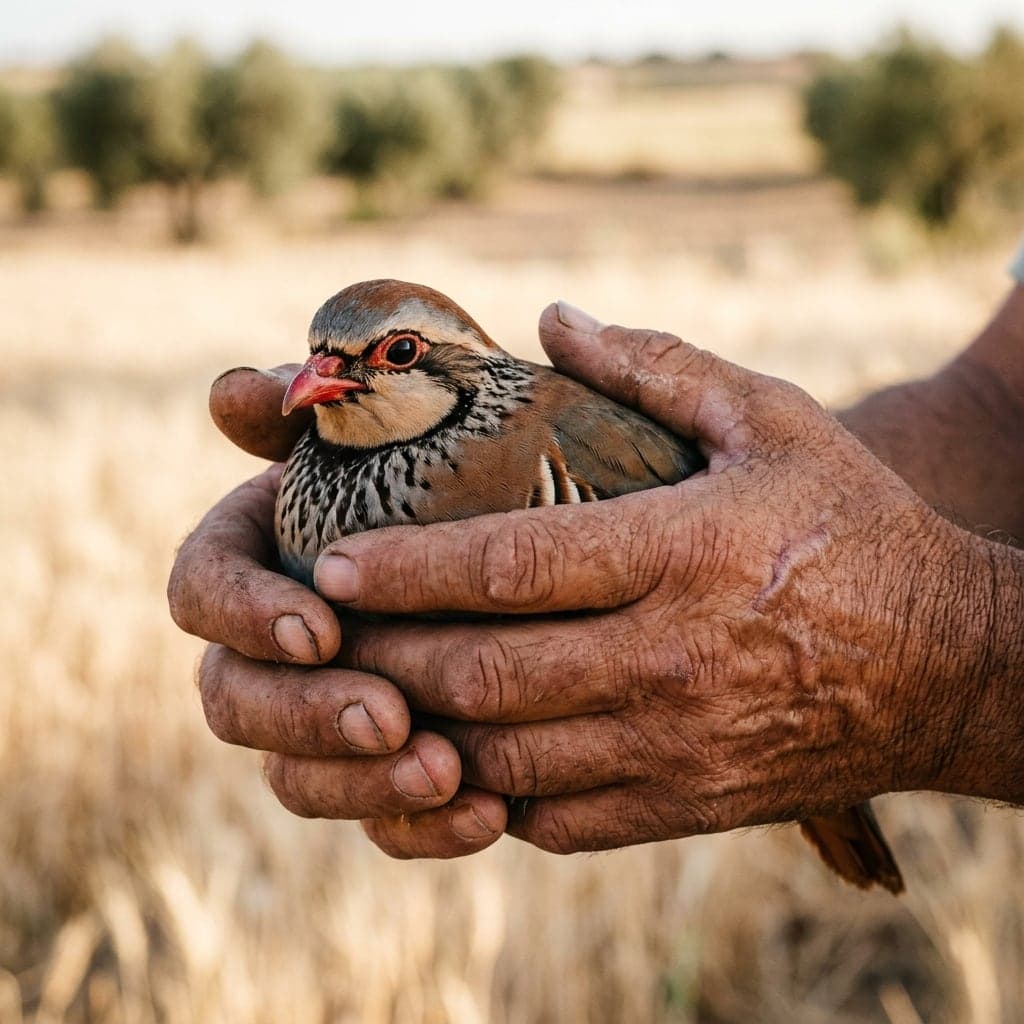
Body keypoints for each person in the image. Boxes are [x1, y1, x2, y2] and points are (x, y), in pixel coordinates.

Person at [168, 251, 1024, 861]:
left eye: (392, 357)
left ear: (463, 369)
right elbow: (1001, 402)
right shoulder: (309, 466)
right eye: (323, 360)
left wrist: (927, 656)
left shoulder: (548, 443)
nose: (329, 377)